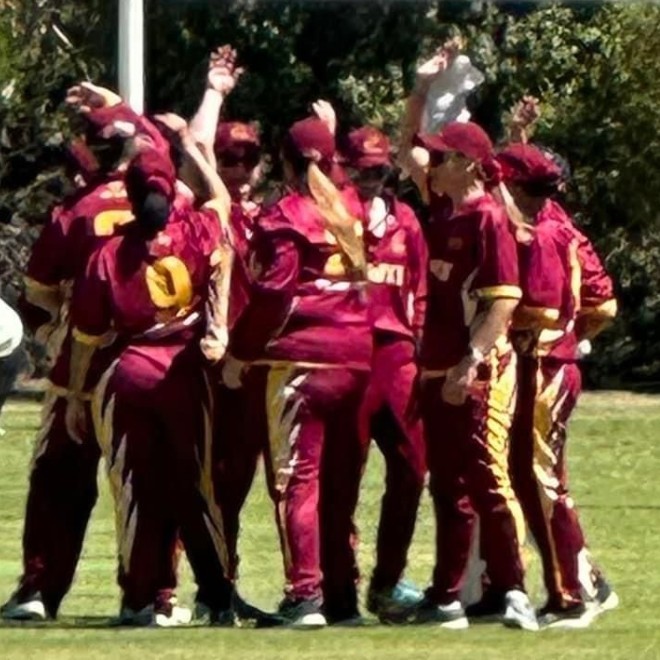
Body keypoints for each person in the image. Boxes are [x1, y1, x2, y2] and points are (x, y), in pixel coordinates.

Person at [64, 113, 236, 626]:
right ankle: (217, 595)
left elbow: (86, 339)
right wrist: (190, 147)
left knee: (136, 489)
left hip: (130, 374)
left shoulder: (110, 253)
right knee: (195, 486)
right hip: (184, 372)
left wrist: (75, 396)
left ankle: (142, 599)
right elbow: (221, 201)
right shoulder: (197, 229)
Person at [223, 116, 372, 628]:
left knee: (296, 480)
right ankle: (341, 596)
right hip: (356, 358)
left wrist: (241, 351)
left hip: (302, 360)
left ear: (283, 161)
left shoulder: (286, 213)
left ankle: (304, 594)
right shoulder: (351, 207)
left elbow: (273, 293)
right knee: (339, 482)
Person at [400, 75, 538, 627]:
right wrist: (421, 88)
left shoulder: (487, 218)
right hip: (436, 367)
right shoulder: (444, 206)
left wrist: (469, 363)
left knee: (487, 478)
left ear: (470, 165)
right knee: (449, 484)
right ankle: (446, 594)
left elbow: (502, 302)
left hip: (474, 370)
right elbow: (405, 144)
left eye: (445, 157)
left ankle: (514, 590)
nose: (433, 164)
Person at [0, 84, 141, 621]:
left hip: (77, 370)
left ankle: (39, 590)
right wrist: (121, 108)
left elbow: (36, 293)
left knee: (58, 479)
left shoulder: (75, 211)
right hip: (146, 360)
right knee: (143, 483)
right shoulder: (162, 198)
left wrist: (49, 328)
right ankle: (151, 594)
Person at [497, 143, 618, 628]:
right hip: (550, 362)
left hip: (543, 366)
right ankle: (584, 581)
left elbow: (541, 310)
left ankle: (572, 595)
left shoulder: (541, 236)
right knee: (535, 477)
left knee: (542, 479)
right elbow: (601, 303)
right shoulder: (556, 223)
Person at [334, 125, 428, 623]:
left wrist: (418, 343)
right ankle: (337, 589)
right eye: (360, 170)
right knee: (342, 475)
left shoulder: (405, 219)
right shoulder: (333, 216)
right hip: (347, 353)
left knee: (413, 468)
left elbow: (421, 289)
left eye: (379, 170)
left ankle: (388, 582)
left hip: (396, 356)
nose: (370, 179)